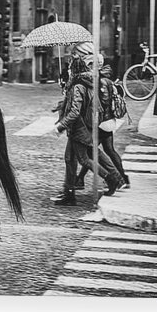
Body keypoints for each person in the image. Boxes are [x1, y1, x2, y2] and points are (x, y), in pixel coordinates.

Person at [51, 43, 125, 206]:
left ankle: (111, 178)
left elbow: (76, 110)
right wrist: (64, 99)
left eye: (71, 66)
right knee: (73, 157)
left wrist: (60, 126)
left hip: (80, 127)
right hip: (86, 126)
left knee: (84, 159)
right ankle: (69, 193)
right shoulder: (87, 82)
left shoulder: (79, 85)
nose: (69, 69)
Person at [75, 59, 130, 189]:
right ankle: (123, 178)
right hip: (108, 121)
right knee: (108, 151)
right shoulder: (106, 79)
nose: (87, 67)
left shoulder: (100, 81)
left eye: (89, 64)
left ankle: (116, 179)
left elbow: (101, 103)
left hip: (101, 123)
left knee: (91, 152)